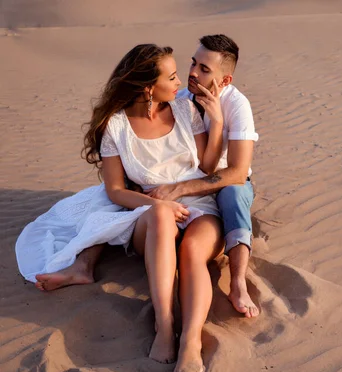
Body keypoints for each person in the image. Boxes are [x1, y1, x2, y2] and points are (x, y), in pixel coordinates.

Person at [17, 44, 224, 372]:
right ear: (147, 87)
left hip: (198, 204)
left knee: (191, 253)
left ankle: (191, 341)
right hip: (150, 213)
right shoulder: (115, 126)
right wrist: (159, 205)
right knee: (159, 217)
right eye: (171, 77)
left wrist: (215, 122)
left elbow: (207, 167)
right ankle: (164, 324)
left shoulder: (187, 108)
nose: (179, 83)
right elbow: (115, 191)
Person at [34, 34, 261, 319]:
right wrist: (160, 198)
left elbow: (234, 172)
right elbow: (124, 178)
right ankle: (86, 267)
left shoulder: (234, 105)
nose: (191, 74)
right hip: (170, 194)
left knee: (234, 196)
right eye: (193, 63)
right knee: (109, 200)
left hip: (221, 182)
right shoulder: (181, 97)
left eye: (204, 69)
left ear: (224, 81)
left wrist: (215, 124)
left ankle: (237, 282)